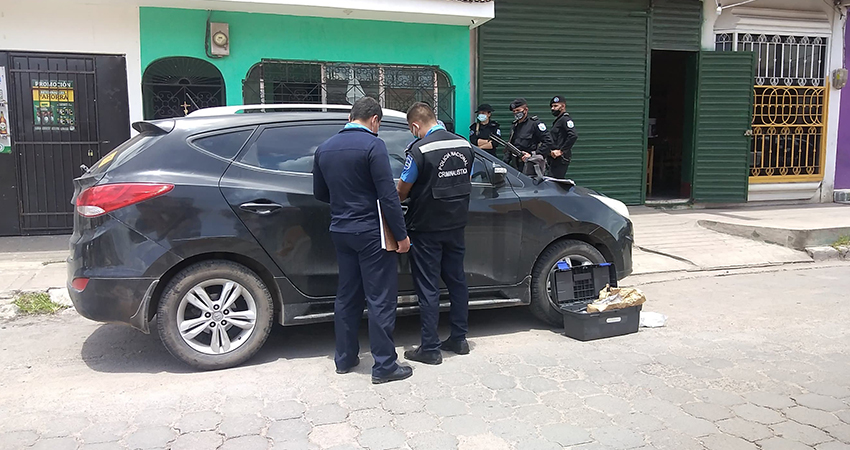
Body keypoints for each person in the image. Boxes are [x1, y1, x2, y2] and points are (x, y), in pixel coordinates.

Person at [313, 96, 413, 385]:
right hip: (370, 232)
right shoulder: (373, 145)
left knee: (347, 295)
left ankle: (344, 358)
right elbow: (388, 195)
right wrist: (402, 236)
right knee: (380, 297)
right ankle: (384, 366)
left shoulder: (325, 147)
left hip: (340, 230)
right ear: (374, 120)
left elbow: (320, 193)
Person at [397, 102, 474, 365]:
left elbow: (403, 189)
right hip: (456, 225)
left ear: (416, 125)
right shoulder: (464, 144)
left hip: (426, 228)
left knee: (428, 287)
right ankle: (459, 339)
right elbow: (465, 180)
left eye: (411, 129)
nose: (412, 133)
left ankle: (430, 347)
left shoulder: (419, 150)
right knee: (457, 281)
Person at [505, 98, 555, 176]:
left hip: (530, 165)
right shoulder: (515, 125)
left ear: (526, 110)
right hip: (516, 165)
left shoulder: (534, 124)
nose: (516, 113)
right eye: (514, 111)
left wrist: (533, 154)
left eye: (518, 110)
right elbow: (511, 146)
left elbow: (548, 142)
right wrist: (504, 163)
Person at [548, 95, 578, 179]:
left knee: (554, 183)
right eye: (552, 106)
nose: (553, 108)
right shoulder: (558, 121)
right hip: (553, 158)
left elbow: (573, 135)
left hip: (560, 159)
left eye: (555, 106)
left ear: (563, 106)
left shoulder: (565, 120)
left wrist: (561, 151)